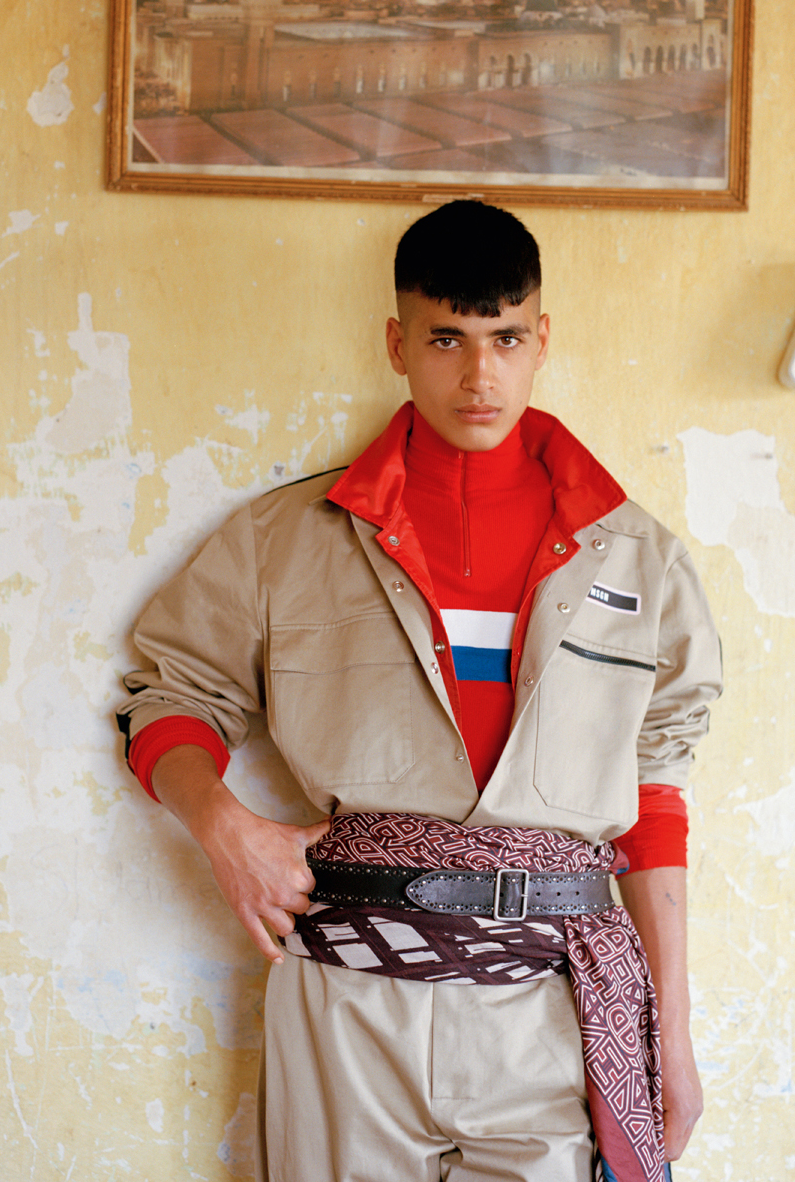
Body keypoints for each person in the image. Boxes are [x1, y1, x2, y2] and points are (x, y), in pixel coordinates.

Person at [118, 200, 722, 1182]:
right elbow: (171, 692)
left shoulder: (640, 558)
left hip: (554, 1002)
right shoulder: (287, 539)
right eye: (446, 338)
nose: (478, 374)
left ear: (542, 341)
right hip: (350, 998)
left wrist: (674, 1033)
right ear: (397, 344)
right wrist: (225, 830)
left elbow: (655, 792)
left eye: (504, 338)